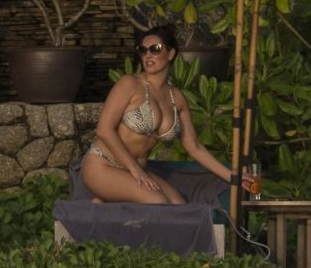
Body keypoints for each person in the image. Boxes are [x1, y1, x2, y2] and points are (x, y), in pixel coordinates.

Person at [81, 25, 250, 203]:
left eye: (155, 49)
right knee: (158, 202)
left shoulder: (177, 98)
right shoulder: (129, 84)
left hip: (137, 171)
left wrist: (232, 176)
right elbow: (104, 130)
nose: (148, 55)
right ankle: (106, 204)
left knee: (180, 207)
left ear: (170, 53)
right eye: (143, 50)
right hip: (104, 164)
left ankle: (108, 203)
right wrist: (135, 171)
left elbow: (194, 146)